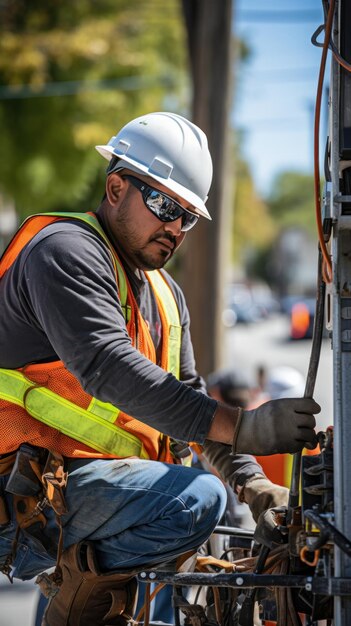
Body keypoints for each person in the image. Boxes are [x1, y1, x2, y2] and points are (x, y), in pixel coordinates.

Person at [0, 111, 320, 626]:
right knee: (195, 498)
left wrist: (253, 486)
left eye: (187, 216)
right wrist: (247, 427)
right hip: (21, 491)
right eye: (164, 204)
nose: (174, 227)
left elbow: (188, 402)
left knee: (199, 494)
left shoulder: (166, 297)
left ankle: (79, 588)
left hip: (81, 499)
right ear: (115, 186)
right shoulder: (64, 251)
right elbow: (107, 366)